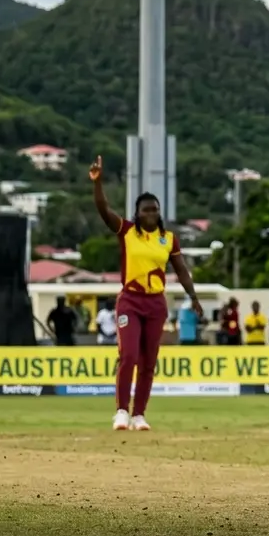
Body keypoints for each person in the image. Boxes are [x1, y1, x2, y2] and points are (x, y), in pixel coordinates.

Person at [89, 155, 202, 431]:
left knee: (149, 360)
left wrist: (194, 297)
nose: (150, 213)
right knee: (128, 355)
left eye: (154, 209)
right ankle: (121, 412)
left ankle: (139, 414)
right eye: (145, 210)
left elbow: (182, 269)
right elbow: (104, 210)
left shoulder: (169, 239)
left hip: (156, 304)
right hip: (130, 300)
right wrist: (98, 182)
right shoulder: (127, 231)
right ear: (137, 213)